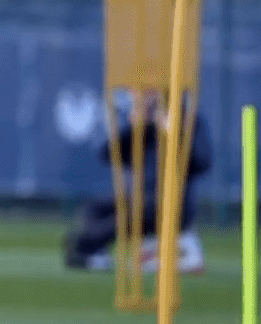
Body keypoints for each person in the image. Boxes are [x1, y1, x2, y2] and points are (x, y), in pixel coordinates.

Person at [64, 92, 212, 275]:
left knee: (129, 215)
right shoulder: (147, 129)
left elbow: (202, 162)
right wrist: (135, 127)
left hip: (172, 203)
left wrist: (174, 133)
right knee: (95, 208)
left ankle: (86, 245)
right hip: (140, 195)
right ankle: (91, 246)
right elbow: (111, 154)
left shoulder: (190, 123)